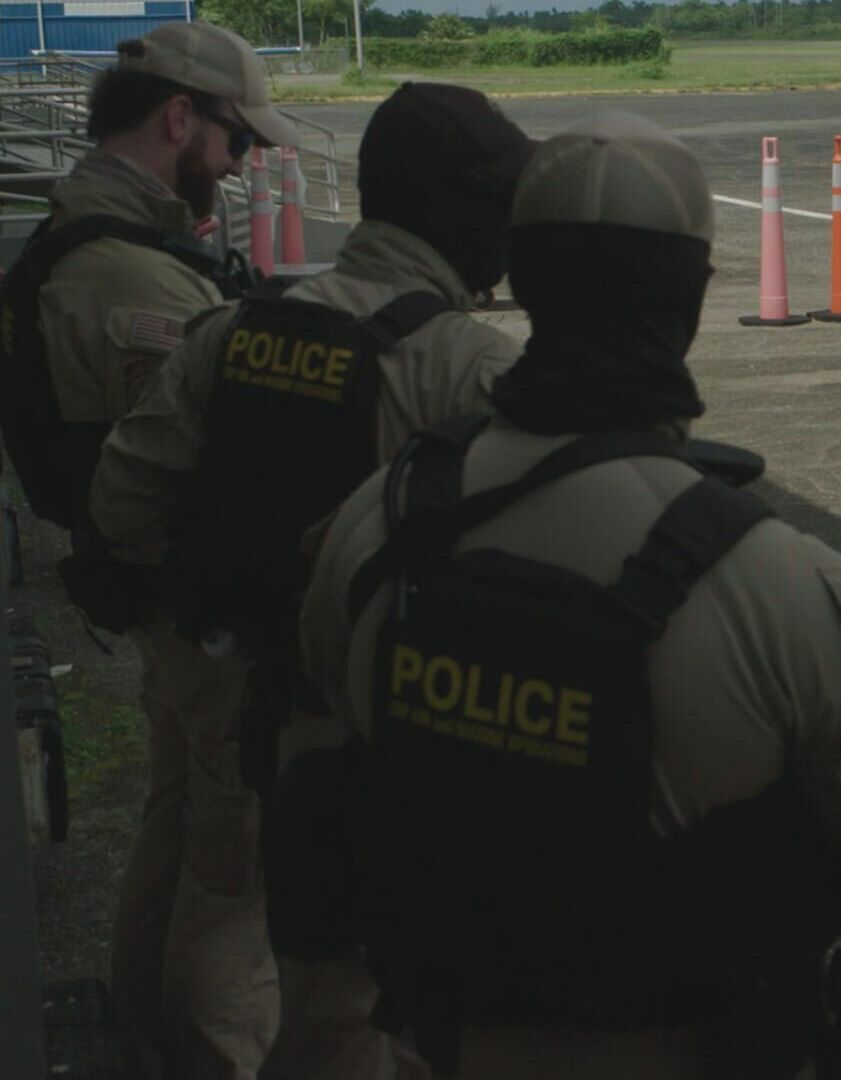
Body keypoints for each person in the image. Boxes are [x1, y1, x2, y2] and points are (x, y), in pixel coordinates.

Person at [293, 112, 841, 1079]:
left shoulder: (377, 529)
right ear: (690, 302)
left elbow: (338, 734)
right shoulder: (790, 596)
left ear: (519, 279)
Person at [86, 82, 534, 1080]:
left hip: (225, 677)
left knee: (217, 900)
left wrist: (210, 617)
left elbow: (122, 502)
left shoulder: (236, 326)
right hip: (366, 721)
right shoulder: (464, 367)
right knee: (337, 979)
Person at [0, 23, 293, 1080]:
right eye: (235, 139)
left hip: (162, 618)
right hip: (202, 622)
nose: (241, 162)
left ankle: (145, 1044)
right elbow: (201, 473)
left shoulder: (96, 243)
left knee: (173, 848)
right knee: (234, 890)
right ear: (181, 117)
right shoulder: (131, 279)